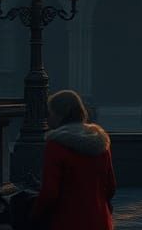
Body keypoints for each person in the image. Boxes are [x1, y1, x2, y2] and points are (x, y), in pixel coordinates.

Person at [32, 88, 116, 229]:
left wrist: (35, 215)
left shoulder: (56, 145)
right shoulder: (100, 142)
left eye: (50, 112)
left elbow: (50, 193)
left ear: (59, 115)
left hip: (68, 221)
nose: (48, 118)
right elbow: (111, 187)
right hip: (100, 220)